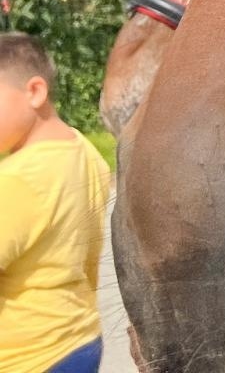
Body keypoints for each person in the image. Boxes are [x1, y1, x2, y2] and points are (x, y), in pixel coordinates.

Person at [0, 34, 112, 373]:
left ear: (35, 92)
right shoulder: (85, 152)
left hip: (27, 356)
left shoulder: (17, 179)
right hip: (80, 342)